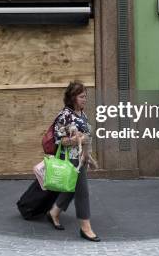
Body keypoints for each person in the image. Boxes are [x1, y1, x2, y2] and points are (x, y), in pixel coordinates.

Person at [45, 81, 101, 242]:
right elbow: (60, 140)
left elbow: (86, 139)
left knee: (70, 188)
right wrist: (77, 139)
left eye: (86, 96)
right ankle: (86, 228)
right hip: (69, 158)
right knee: (82, 192)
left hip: (80, 158)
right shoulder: (65, 115)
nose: (85, 99)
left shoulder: (82, 114)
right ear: (73, 97)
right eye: (82, 96)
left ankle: (54, 212)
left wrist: (89, 157)